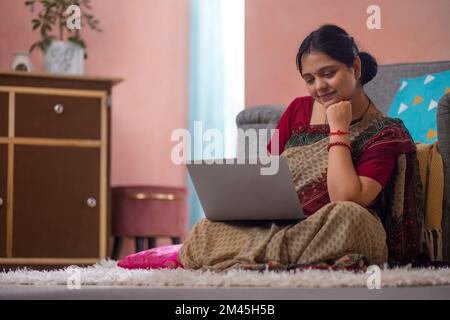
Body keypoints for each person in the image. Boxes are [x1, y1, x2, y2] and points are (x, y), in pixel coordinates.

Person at [179, 24, 426, 272]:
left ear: (356, 67)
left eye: (328, 73)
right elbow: (267, 174)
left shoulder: (384, 131)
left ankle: (249, 257)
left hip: (328, 227)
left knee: (351, 219)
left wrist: (338, 129)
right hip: (282, 226)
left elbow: (348, 198)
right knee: (205, 229)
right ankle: (282, 258)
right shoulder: (298, 110)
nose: (319, 86)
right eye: (310, 79)